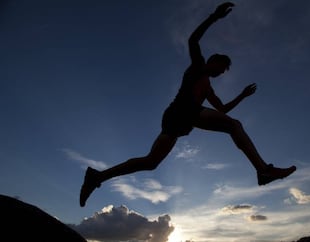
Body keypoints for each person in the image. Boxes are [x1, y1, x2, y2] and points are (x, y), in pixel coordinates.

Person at [80, 2, 296, 207]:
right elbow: (193, 40)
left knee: (150, 162)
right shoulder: (198, 67)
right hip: (182, 111)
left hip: (177, 120)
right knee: (234, 125)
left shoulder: (208, 87)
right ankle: (262, 170)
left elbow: (221, 109)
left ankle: (98, 176)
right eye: (221, 68)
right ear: (212, 61)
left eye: (223, 72)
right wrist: (214, 17)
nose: (221, 73)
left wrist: (242, 96)